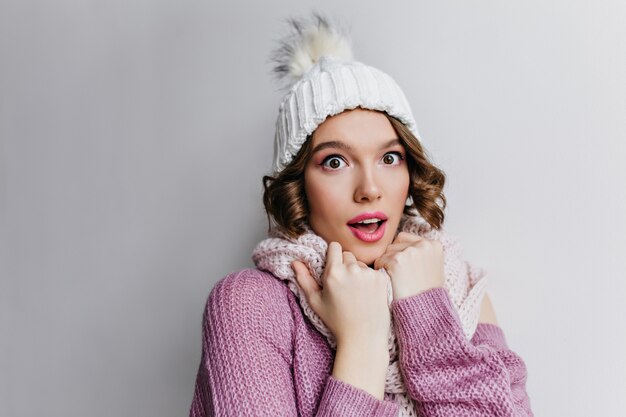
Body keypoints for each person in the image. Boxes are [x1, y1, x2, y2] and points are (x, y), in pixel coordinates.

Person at [189, 12, 533, 417]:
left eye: (390, 158)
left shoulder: (461, 295)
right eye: (335, 162)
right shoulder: (249, 306)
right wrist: (362, 343)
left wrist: (426, 313)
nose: (370, 188)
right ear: (298, 186)